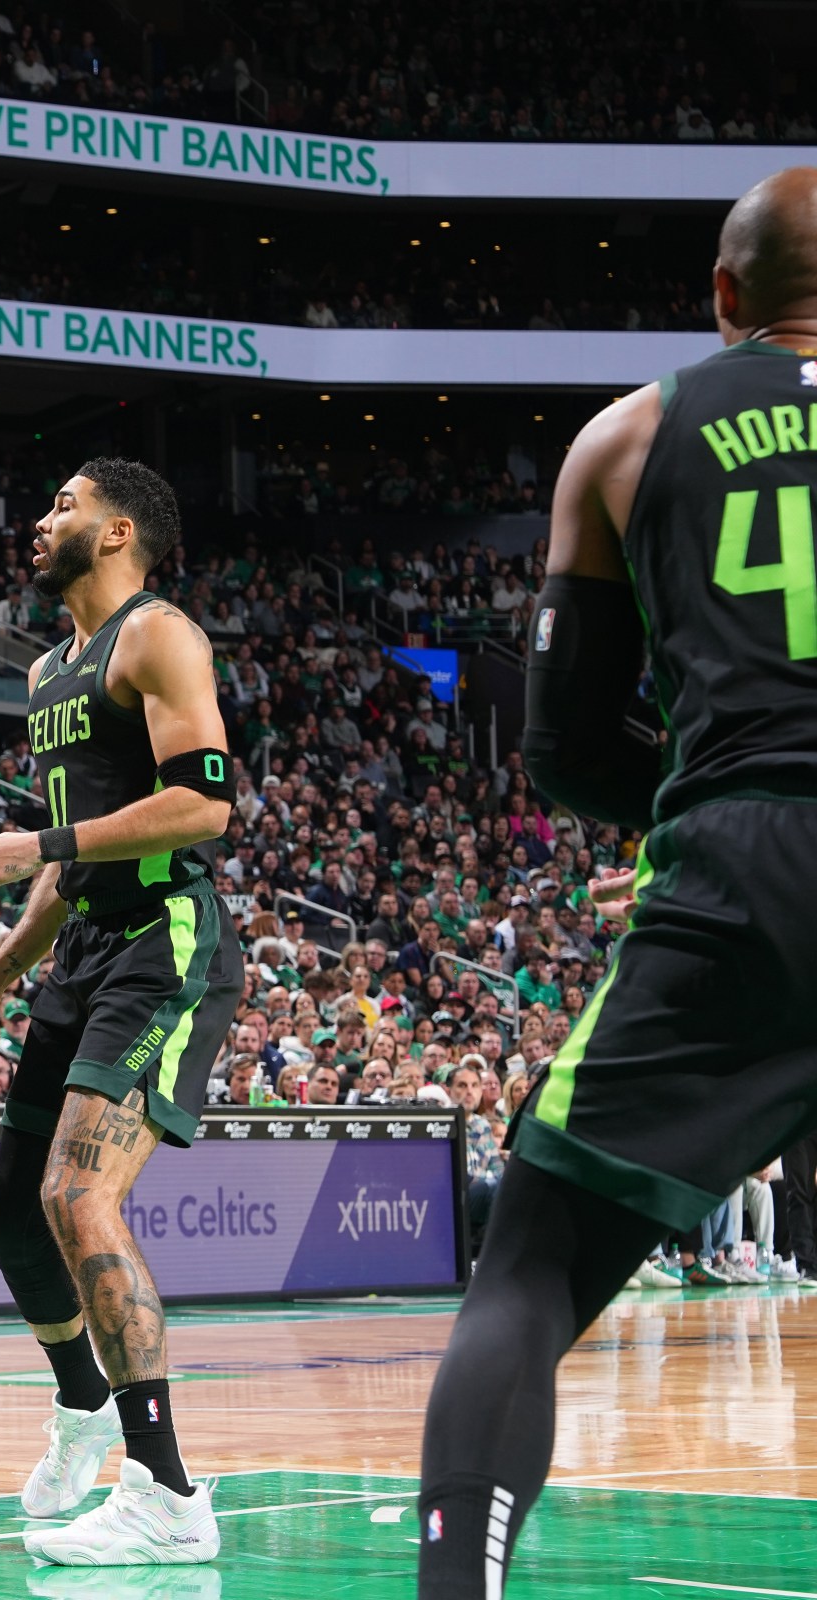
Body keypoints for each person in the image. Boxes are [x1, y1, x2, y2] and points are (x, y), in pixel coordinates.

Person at [417, 169, 817, 1600]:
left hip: (739, 874)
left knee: (527, 1271)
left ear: (724, 296)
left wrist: (708, 812)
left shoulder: (632, 434)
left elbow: (566, 746)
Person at [0, 458, 242, 1566]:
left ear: (117, 532)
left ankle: (166, 1492)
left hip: (165, 941)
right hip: (84, 948)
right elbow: (68, 871)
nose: (42, 518)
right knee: (14, 1215)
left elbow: (205, 803)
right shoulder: (47, 670)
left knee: (78, 1194)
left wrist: (42, 841)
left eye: (64, 504)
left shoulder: (157, 636)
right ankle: (83, 1408)